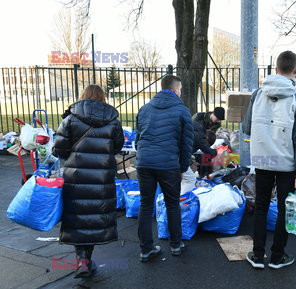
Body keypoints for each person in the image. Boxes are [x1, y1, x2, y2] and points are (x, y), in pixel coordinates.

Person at [242, 50, 296, 269]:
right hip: (286, 162)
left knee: (261, 206)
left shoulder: (257, 94)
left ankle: (257, 255)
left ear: (276, 69)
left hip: (262, 159)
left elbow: (246, 127)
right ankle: (277, 256)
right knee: (283, 208)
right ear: (295, 70)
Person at [54, 84, 124, 278]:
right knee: (93, 217)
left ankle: (82, 260)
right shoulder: (113, 121)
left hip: (75, 177)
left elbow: (59, 150)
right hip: (101, 177)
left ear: (83, 96)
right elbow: (117, 147)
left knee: (78, 217)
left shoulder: (70, 119)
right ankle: (86, 259)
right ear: (102, 98)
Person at [136, 75, 193, 261]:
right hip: (168, 164)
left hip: (144, 162)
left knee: (146, 205)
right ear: (176, 90)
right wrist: (183, 167)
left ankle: (146, 249)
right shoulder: (182, 111)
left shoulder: (144, 109)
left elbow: (138, 140)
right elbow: (186, 145)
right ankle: (176, 245)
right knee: (172, 204)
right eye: (181, 89)